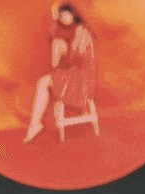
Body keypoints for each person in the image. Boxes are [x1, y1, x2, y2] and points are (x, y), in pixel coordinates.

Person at [23, 3, 98, 143]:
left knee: (43, 82)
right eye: (61, 16)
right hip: (76, 76)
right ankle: (35, 124)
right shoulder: (73, 31)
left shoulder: (82, 31)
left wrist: (63, 49)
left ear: (73, 15)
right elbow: (56, 40)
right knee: (44, 80)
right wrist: (54, 19)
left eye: (66, 15)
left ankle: (35, 124)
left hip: (83, 81)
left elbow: (80, 59)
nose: (64, 18)